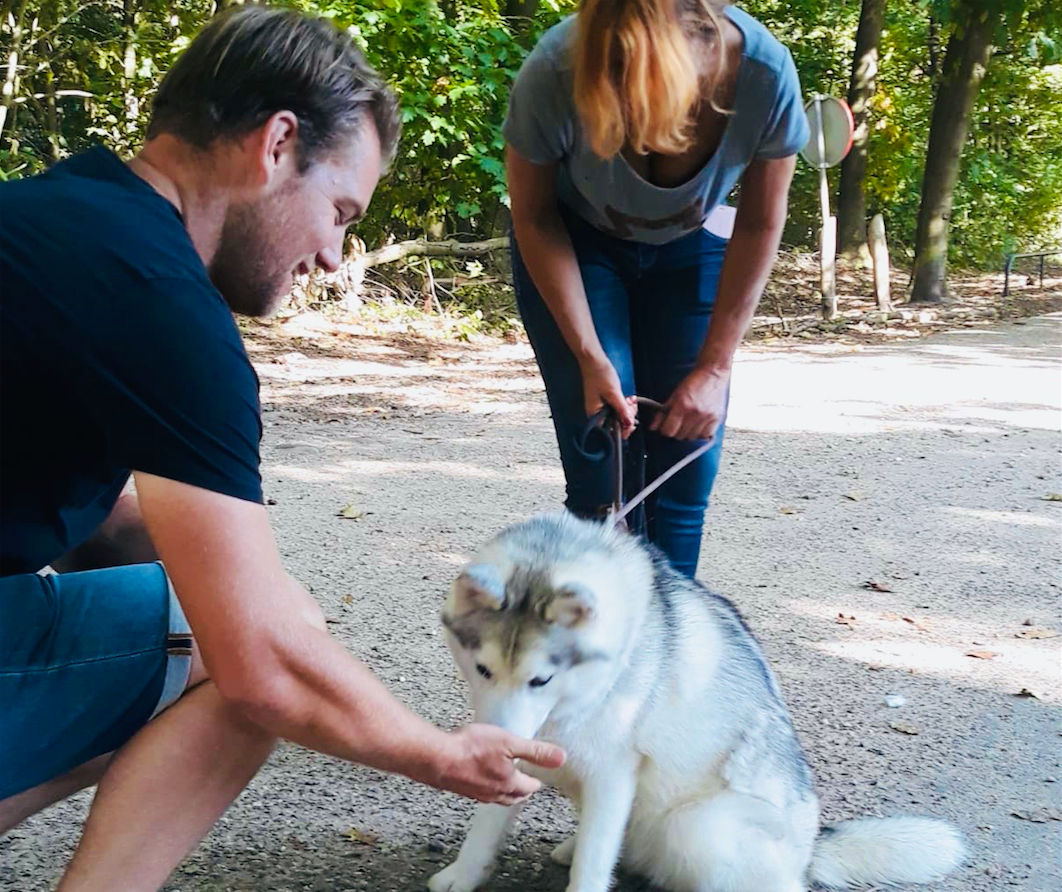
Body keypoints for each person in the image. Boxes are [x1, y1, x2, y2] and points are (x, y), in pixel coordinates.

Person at [0, 7, 563, 889]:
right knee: (259, 647)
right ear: (276, 144)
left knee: (235, 613)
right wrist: (440, 754)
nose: (336, 256)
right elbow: (263, 669)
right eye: (340, 209)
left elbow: (51, 494)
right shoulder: (164, 309)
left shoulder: (52, 222)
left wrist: (210, 576)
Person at [505, 0, 809, 576]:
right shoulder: (555, 68)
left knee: (686, 460)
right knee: (604, 465)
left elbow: (762, 221)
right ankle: (599, 647)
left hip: (693, 246)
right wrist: (591, 359)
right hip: (575, 242)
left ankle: (669, 654)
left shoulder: (765, 76)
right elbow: (534, 218)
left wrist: (715, 370)